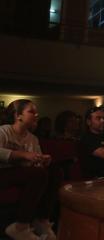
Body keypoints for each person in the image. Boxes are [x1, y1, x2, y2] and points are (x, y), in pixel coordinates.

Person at [0, 99, 59, 240]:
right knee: (37, 174)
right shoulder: (3, 131)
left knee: (55, 171)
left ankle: (42, 220)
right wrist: (23, 155)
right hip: (2, 172)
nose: (36, 114)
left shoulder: (32, 138)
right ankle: (21, 226)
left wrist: (42, 160)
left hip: (23, 173)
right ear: (18, 115)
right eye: (31, 111)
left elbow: (34, 163)